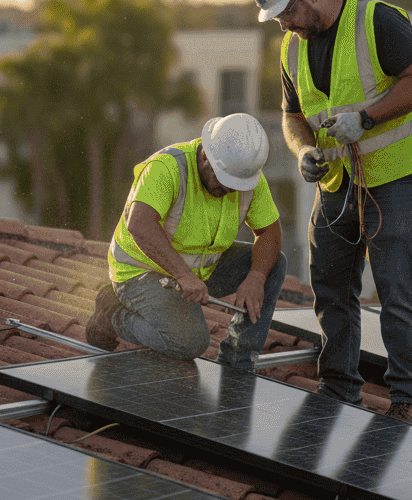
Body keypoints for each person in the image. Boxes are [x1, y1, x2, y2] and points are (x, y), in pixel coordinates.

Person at [250, 0, 412, 424]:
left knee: (396, 288)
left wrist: (367, 118)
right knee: (331, 287)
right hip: (336, 183)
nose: (282, 25)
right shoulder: (292, 46)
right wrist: (302, 152)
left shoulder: (376, 20)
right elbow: (293, 115)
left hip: (393, 178)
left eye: (287, 13)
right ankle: (339, 388)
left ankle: (407, 402)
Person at [86, 113, 287, 372]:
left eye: (236, 185)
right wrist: (183, 274)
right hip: (143, 273)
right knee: (189, 343)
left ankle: (239, 359)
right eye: (224, 181)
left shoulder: (245, 178)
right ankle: (113, 316)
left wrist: (257, 277)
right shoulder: (167, 167)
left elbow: (270, 233)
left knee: (273, 264)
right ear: (206, 157)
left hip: (201, 270)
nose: (229, 190)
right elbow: (140, 223)